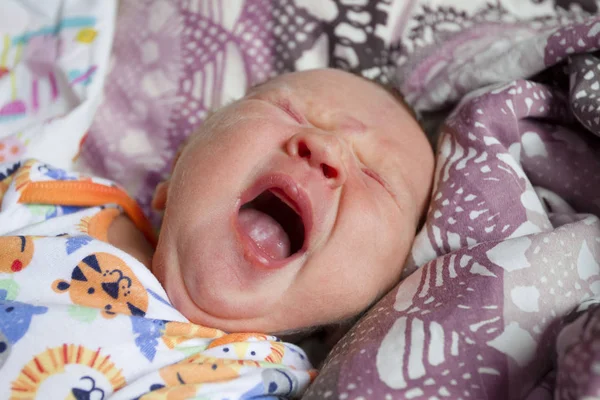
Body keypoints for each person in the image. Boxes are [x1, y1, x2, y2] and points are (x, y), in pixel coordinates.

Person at [0, 68, 434, 399]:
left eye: (378, 180)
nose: (328, 148)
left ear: (369, 306)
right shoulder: (47, 197)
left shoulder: (266, 379)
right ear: (182, 160)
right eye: (290, 112)